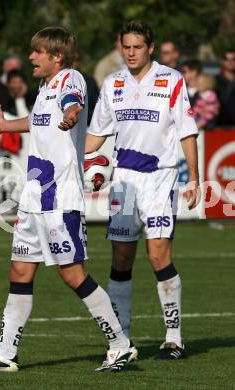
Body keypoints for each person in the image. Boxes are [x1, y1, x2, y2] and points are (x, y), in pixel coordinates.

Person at [0, 27, 136, 373]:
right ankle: (5, 355)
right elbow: (38, 120)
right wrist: (5, 127)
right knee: (20, 271)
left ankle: (121, 345)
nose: (31, 57)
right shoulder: (44, 87)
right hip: (34, 197)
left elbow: (73, 103)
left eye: (38, 52)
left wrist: (72, 115)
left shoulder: (70, 78)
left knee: (73, 275)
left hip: (60, 198)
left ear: (56, 56)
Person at [86, 20, 199, 360]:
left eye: (138, 46)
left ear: (150, 47)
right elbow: (95, 135)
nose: (131, 52)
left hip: (160, 177)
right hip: (123, 180)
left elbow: (187, 131)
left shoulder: (171, 80)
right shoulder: (112, 83)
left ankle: (174, 338)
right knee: (121, 257)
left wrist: (193, 176)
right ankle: (121, 341)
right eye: (126, 47)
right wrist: (72, 154)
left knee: (157, 254)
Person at [216, 49, 235, 126]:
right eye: (226, 59)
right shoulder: (215, 81)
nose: (230, 62)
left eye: (233, 59)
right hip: (219, 127)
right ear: (222, 62)